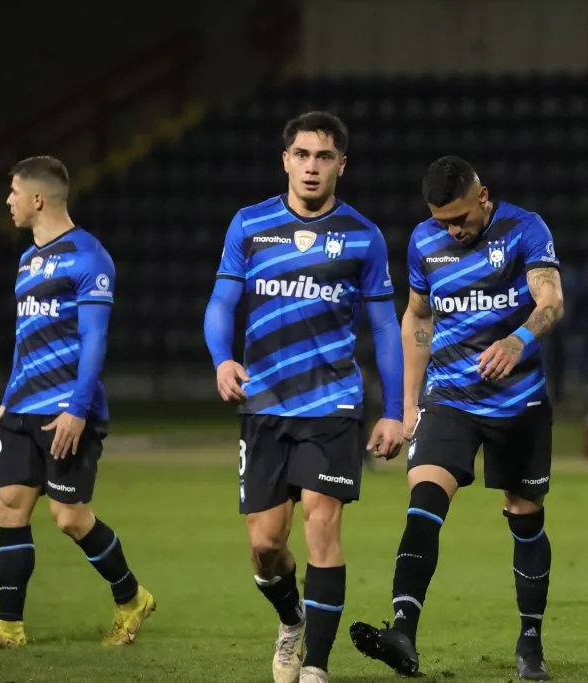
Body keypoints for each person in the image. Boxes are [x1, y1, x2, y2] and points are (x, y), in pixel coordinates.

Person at [203, 111, 404, 683]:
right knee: (266, 548)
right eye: (302, 155)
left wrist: (392, 411)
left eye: (324, 157)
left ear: (342, 164)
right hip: (264, 406)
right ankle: (292, 620)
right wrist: (222, 359)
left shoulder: (363, 235)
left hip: (331, 405)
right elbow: (221, 304)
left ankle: (315, 665)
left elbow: (386, 329)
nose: (312, 167)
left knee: (322, 526)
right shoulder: (249, 226)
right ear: (285, 160)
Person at [349, 156, 564, 681]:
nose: (453, 229)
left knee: (525, 517)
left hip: (519, 402)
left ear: (483, 196)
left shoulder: (524, 228)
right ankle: (402, 630)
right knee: (424, 501)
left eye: (461, 218)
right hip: (451, 399)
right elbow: (418, 318)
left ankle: (530, 639)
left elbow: (552, 301)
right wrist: (406, 409)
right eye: (443, 220)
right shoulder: (425, 241)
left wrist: (519, 339)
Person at [0, 156, 155, 651]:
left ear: (38, 199)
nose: (8, 201)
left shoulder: (89, 257)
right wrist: (7, 401)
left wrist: (78, 409)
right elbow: (26, 342)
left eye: (14, 192)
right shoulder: (26, 260)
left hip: (67, 409)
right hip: (23, 409)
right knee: (9, 506)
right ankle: (9, 627)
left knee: (68, 517)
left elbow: (94, 341)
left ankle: (132, 598)